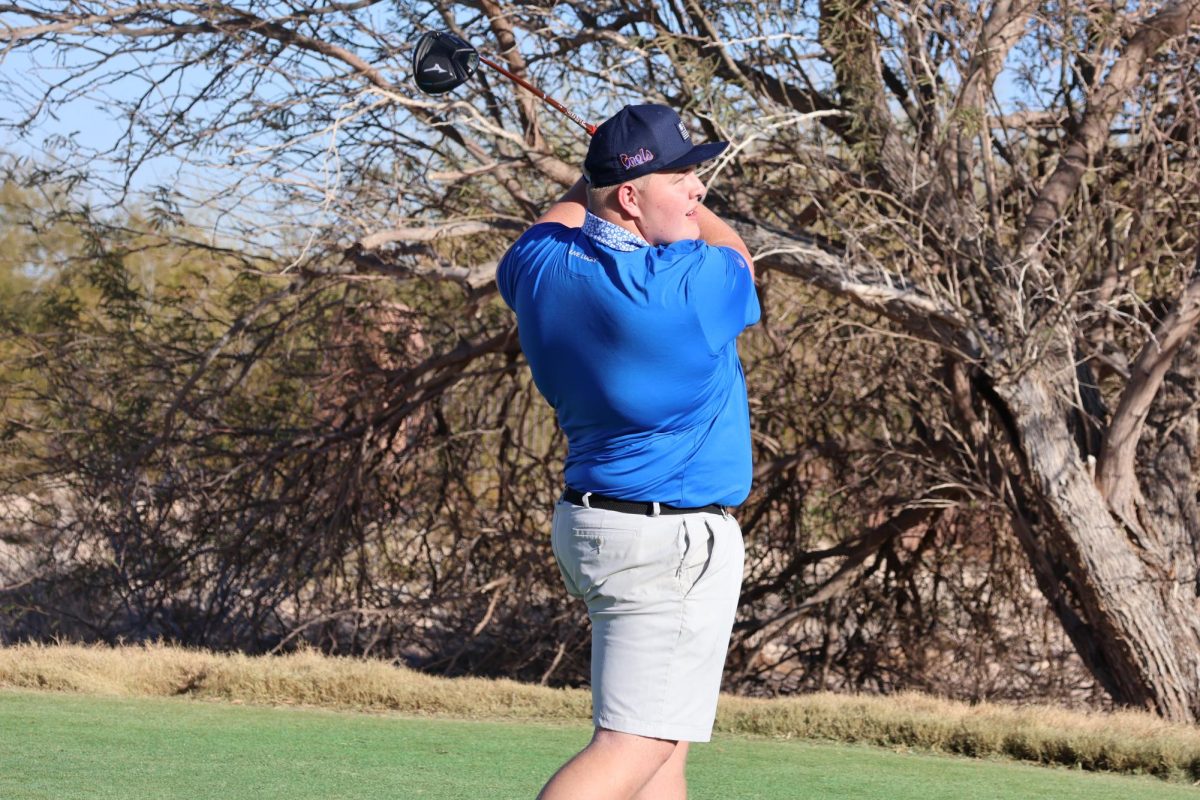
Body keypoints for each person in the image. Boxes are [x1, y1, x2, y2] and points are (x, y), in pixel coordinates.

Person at [496, 103, 759, 800]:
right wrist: (603, 184)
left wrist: (601, 178)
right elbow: (741, 257)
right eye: (682, 177)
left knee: (661, 748)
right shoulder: (689, 285)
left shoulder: (537, 269)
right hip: (667, 544)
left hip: (595, 528)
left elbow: (557, 222)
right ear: (633, 198)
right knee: (630, 746)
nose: (699, 191)